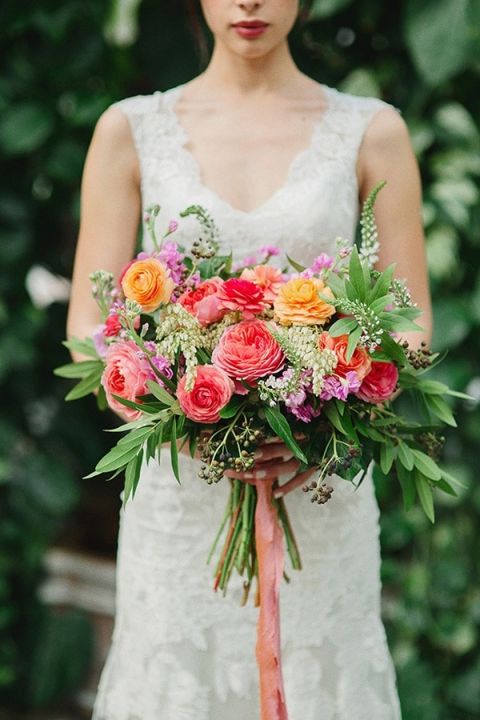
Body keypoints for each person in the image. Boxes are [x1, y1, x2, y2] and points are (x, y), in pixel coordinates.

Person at [66, 1, 432, 718]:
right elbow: (89, 325)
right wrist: (176, 406)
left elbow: (412, 324)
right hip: (179, 497)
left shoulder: (373, 131)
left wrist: (329, 416)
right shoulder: (130, 130)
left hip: (317, 488)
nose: (249, 2)